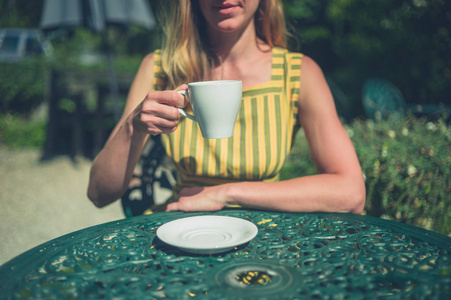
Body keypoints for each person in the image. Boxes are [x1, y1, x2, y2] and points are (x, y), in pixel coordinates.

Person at [87, 0, 366, 214]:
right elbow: (99, 193)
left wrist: (226, 193)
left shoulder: (298, 73)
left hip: (267, 240)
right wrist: (133, 127)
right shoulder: (160, 69)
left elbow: (351, 192)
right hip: (181, 234)